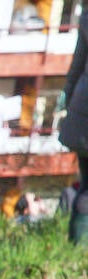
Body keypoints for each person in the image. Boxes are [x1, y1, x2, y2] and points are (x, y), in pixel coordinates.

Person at [58, 11, 88, 245]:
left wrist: (69, 105)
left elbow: (76, 68)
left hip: (81, 113)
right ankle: (79, 248)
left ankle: (76, 248)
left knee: (86, 184)